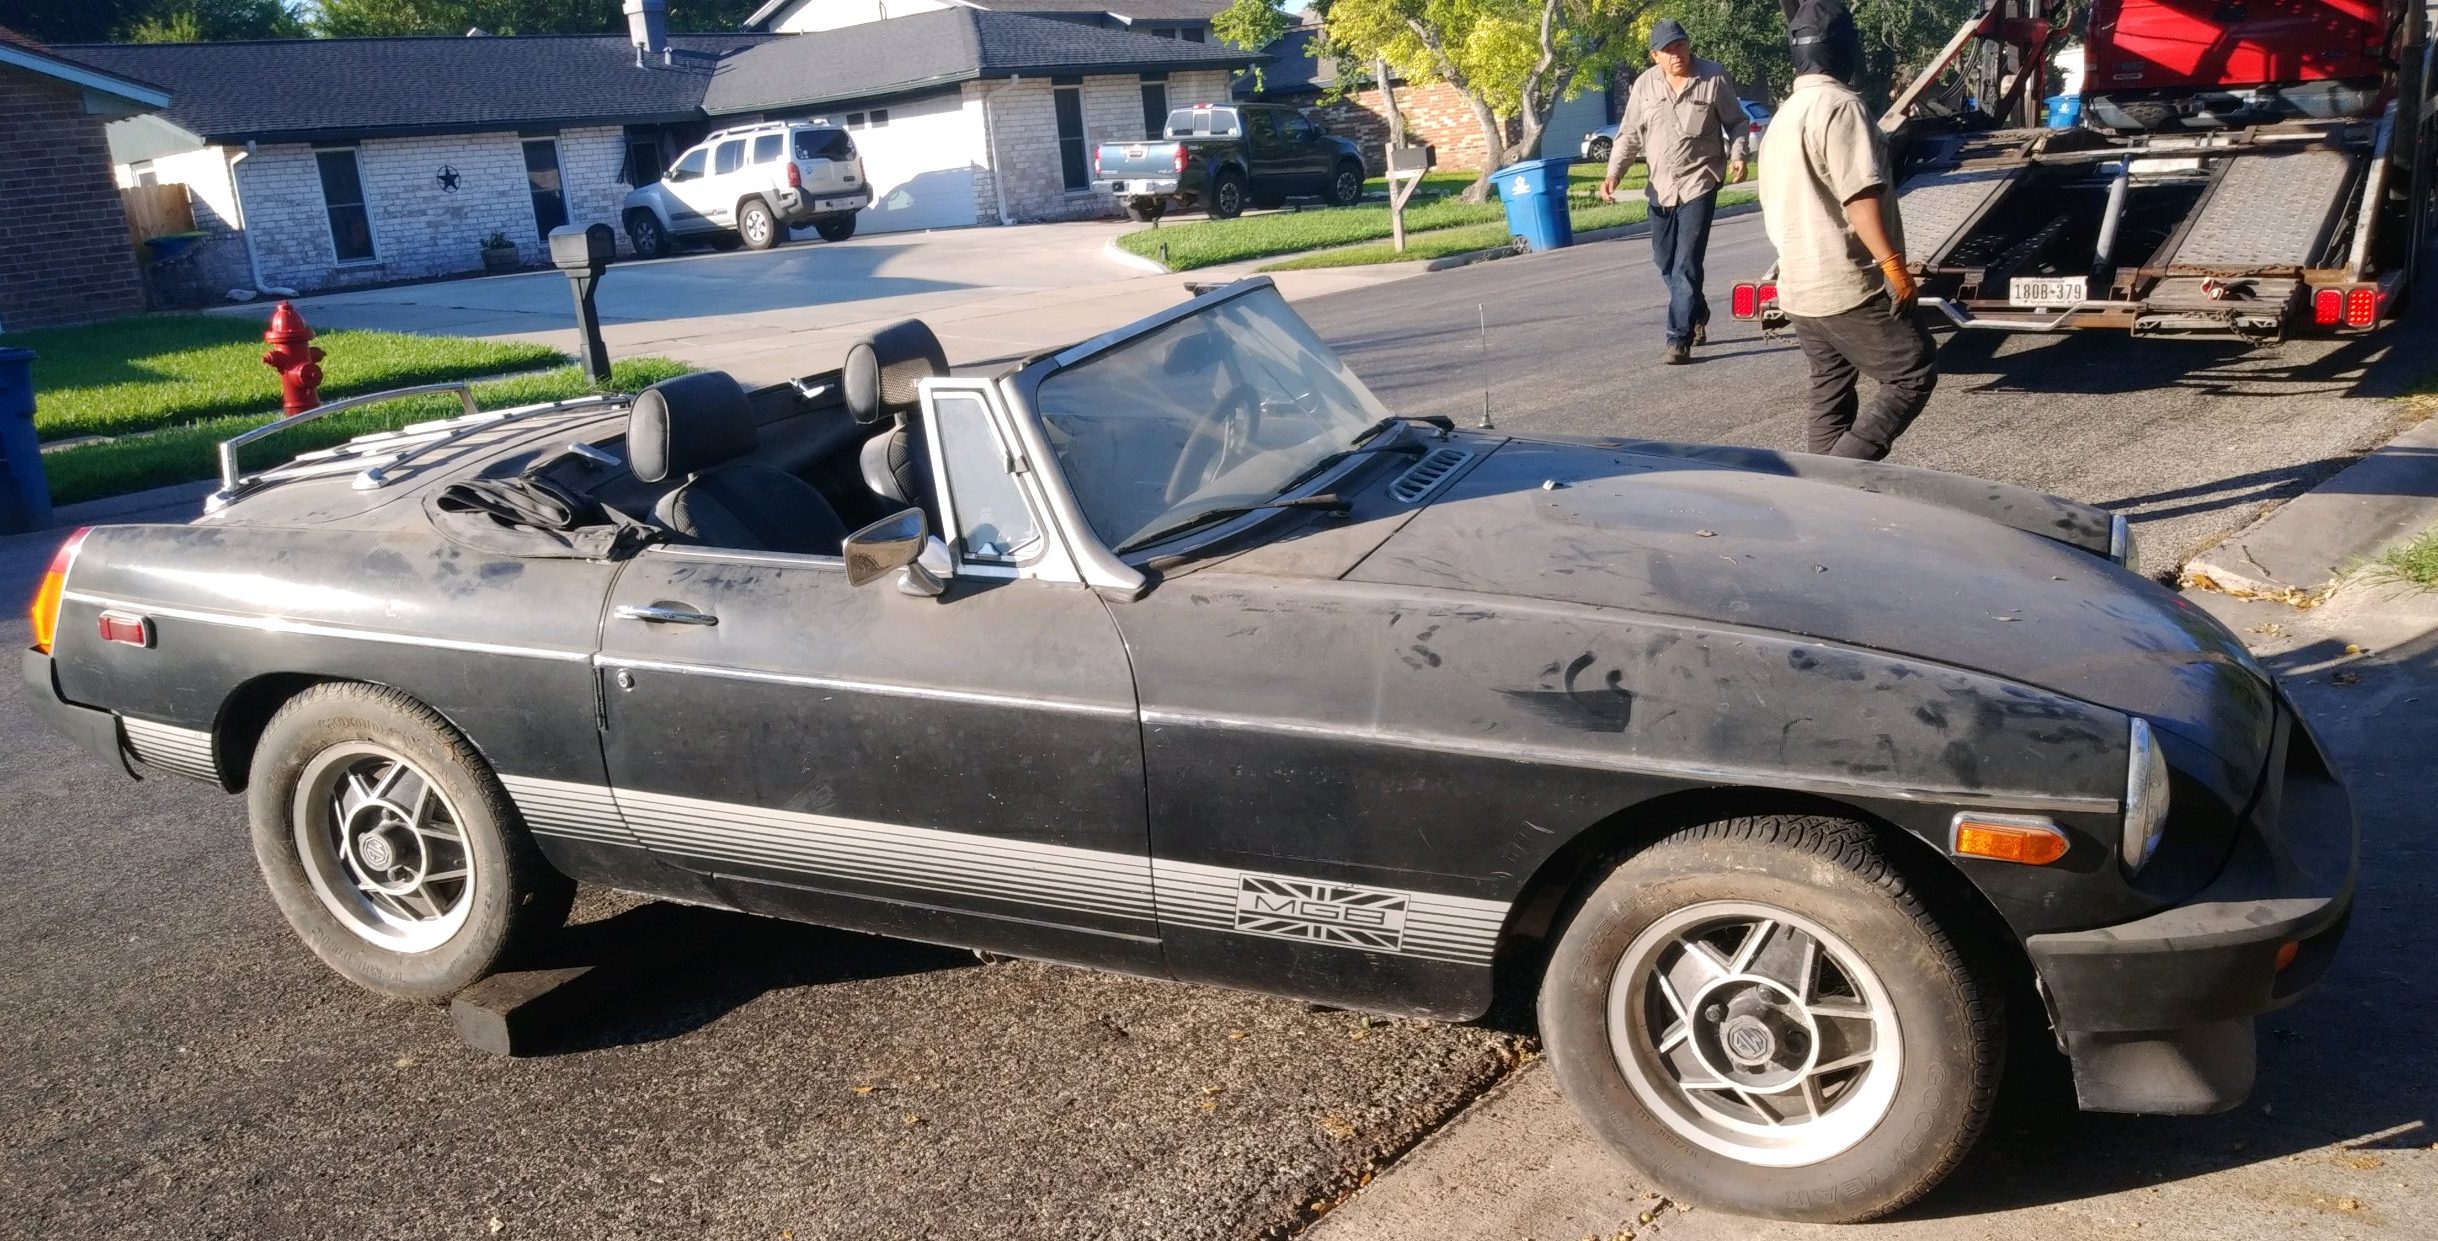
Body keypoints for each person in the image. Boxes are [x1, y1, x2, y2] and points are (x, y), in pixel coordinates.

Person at [1755, 0, 1937, 460]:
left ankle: (1820, 485)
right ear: (1844, 49)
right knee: (1912, 371)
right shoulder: (1841, 107)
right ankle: (1844, 473)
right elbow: (1859, 198)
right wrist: (1893, 267)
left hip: (1799, 287)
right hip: (1846, 285)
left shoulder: (1783, 116)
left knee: (1830, 385)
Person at [1600, 18, 1753, 364]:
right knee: (1665, 260)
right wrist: (1613, 174)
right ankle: (1696, 310)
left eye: (1680, 45)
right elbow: (1629, 135)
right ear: (1655, 55)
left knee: (1686, 263)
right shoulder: (1645, 85)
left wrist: (1738, 155)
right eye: (1667, 50)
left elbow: (1737, 121)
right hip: (1660, 187)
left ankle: (1678, 339)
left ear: (1688, 44)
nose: (1676, 54)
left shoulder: (1713, 76)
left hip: (1700, 181)